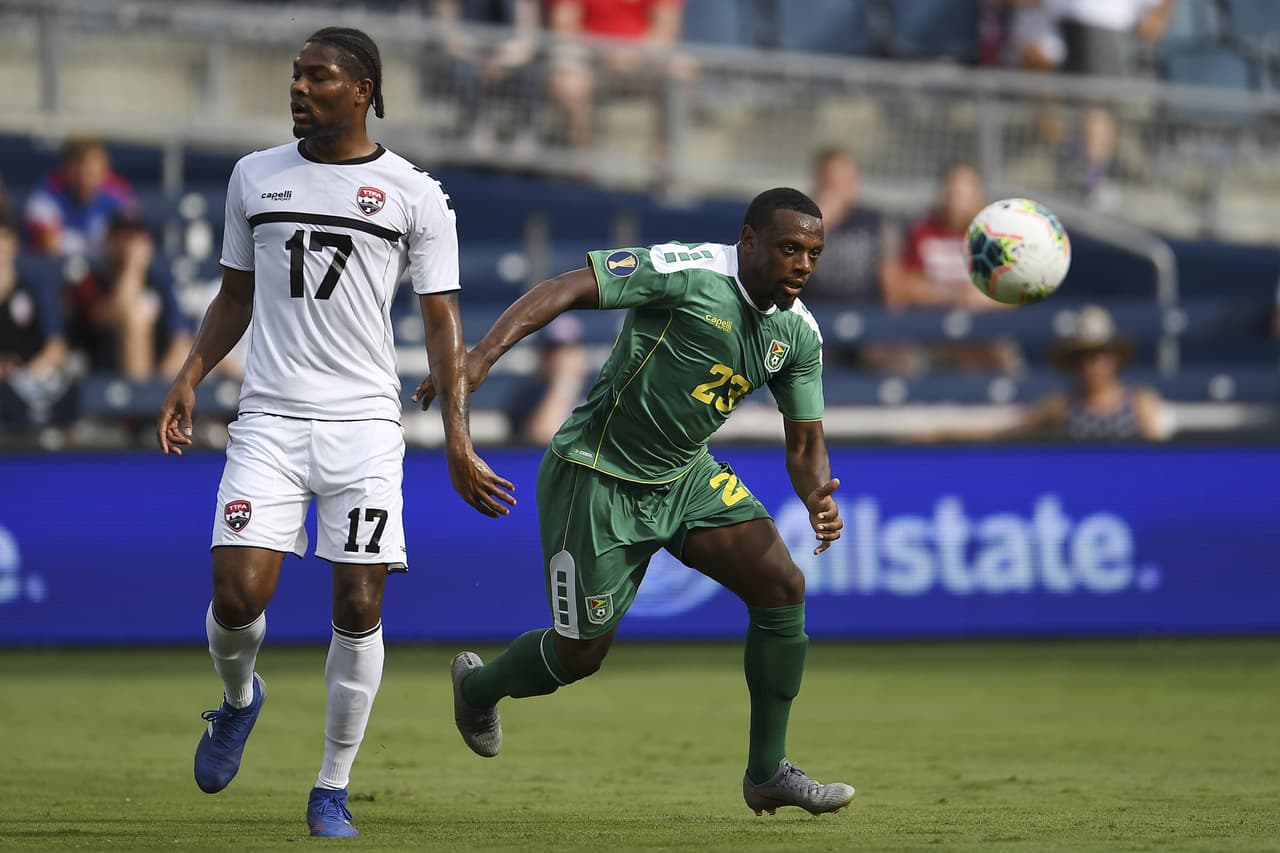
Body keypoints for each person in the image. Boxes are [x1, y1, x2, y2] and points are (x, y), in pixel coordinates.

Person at [154, 26, 515, 838]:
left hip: (363, 428)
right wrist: (188, 374)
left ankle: (331, 785)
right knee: (237, 594)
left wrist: (457, 435)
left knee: (358, 603)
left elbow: (442, 321)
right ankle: (239, 702)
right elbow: (235, 296)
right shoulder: (255, 177)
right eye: (295, 75)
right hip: (270, 422)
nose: (298, 88)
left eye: (317, 76)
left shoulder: (415, 194)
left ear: (363, 90)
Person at [414, 187, 856, 816]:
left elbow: (805, 443)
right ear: (750, 242)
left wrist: (817, 494)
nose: (803, 263)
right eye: (790, 248)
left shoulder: (797, 332)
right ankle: (478, 687)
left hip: (684, 477)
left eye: (813, 252)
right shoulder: (690, 273)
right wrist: (483, 354)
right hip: (596, 475)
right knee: (579, 655)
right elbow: (570, 286)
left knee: (781, 585)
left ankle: (766, 772)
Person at [65, 212, 191, 381]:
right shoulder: (90, 282)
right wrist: (132, 269)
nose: (127, 245)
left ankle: (149, 398)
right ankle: (139, 400)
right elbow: (109, 316)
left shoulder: (160, 283)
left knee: (189, 350)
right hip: (103, 371)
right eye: (120, 237)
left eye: (133, 237)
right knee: (135, 318)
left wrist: (159, 386)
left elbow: (180, 338)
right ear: (108, 241)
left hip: (157, 375)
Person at [427, 0, 544, 159]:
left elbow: (529, 41)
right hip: (469, 59)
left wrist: (500, 61)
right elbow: (449, 38)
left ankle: (524, 135)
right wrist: (481, 60)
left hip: (509, 61)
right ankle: (477, 128)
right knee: (462, 71)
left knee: (530, 73)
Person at [0, 213, 75, 431]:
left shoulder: (34, 287)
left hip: (30, 383)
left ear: (13, 243)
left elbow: (56, 346)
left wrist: (22, 377)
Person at [804, 147, 897, 305]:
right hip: (811, 310)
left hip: (862, 310)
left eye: (848, 179)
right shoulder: (795, 220)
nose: (842, 187)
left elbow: (892, 280)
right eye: (834, 181)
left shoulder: (874, 222)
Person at [23, 138, 138, 259]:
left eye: (93, 166)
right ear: (66, 167)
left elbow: (128, 244)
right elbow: (49, 245)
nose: (85, 172)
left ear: (106, 167)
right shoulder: (46, 193)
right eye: (78, 164)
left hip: (104, 270)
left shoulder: (121, 193)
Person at [503, 313, 590, 445]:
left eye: (568, 349)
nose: (560, 358)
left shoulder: (598, 392)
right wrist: (564, 386)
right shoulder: (526, 398)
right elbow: (540, 439)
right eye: (552, 351)